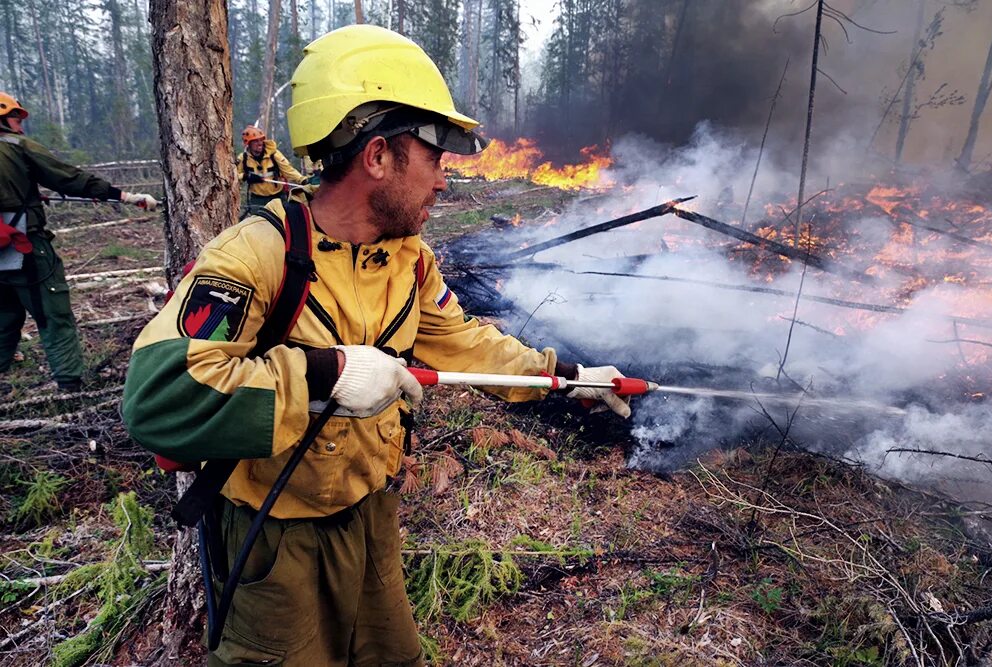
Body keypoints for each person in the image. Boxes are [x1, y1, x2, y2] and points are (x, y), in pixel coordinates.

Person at [122, 25, 629, 666]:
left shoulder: (408, 260)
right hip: (274, 539)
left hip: (373, 519)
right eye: (436, 157)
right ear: (379, 156)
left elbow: (466, 344)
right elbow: (157, 398)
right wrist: (324, 374)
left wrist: (567, 376)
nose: (444, 181)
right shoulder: (256, 255)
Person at [0, 92, 157, 392]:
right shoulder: (16, 147)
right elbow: (69, 178)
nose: (20, 124)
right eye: (16, 118)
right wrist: (124, 196)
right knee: (52, 311)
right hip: (24, 245)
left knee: (4, 312)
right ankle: (70, 384)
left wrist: (25, 194)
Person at [236, 125, 308, 211]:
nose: (259, 143)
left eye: (261, 140)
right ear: (248, 144)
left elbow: (288, 170)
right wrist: (245, 176)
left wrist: (302, 180)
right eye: (255, 141)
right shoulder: (243, 158)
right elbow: (234, 178)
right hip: (257, 199)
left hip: (277, 197)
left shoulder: (274, 154)